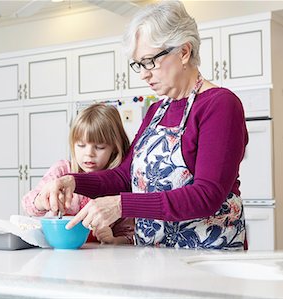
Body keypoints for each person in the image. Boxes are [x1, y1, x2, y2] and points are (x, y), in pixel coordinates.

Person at [38, 1, 248, 250]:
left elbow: (207, 195)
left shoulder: (220, 105)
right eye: (138, 64)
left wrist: (120, 205)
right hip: (152, 254)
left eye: (150, 61)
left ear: (184, 52)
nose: (143, 74)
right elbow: (123, 175)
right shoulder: (157, 111)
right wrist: (73, 181)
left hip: (207, 257)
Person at [22, 103, 134, 245]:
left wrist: (113, 239)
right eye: (81, 145)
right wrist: (43, 201)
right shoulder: (62, 170)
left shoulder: (120, 182)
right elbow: (27, 204)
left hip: (95, 259)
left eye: (99, 147)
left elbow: (129, 235)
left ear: (114, 148)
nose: (89, 153)